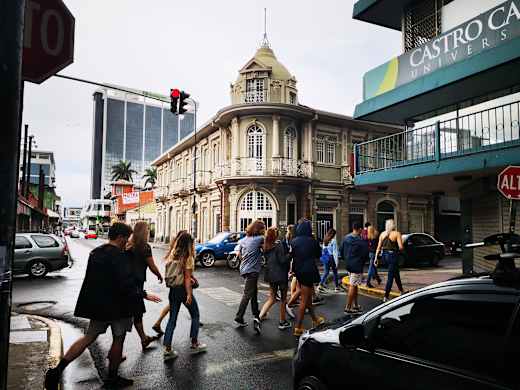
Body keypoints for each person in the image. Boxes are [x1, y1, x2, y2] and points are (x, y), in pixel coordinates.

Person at [44, 223, 161, 390]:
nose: (127, 241)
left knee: (88, 337)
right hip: (119, 306)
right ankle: (112, 378)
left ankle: (57, 371)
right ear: (120, 237)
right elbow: (125, 284)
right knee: (118, 339)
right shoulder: (120, 257)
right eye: (126, 238)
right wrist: (143, 295)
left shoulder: (96, 252)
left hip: (99, 306)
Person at [163, 231, 206, 361]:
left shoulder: (172, 254)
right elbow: (187, 278)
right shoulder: (188, 257)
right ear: (189, 244)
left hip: (173, 290)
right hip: (182, 290)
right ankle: (194, 344)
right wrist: (189, 294)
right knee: (195, 314)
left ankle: (167, 349)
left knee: (172, 319)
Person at [126, 221, 163, 351]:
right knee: (136, 312)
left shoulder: (129, 245)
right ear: (143, 232)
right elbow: (151, 265)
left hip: (127, 281)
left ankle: (144, 338)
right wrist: (159, 275)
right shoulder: (144, 247)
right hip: (137, 283)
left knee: (135, 312)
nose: (148, 231)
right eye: (147, 229)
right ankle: (142, 339)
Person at [291, 219, 325, 337]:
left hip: (299, 271)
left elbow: (292, 255)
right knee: (305, 300)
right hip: (309, 270)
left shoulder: (293, 241)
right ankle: (298, 327)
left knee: (308, 295)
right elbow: (318, 255)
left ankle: (315, 319)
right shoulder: (313, 241)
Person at [234, 220, 266, 334]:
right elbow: (266, 249)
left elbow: (240, 254)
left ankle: (256, 314)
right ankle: (239, 316)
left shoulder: (243, 240)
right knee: (247, 294)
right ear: (259, 229)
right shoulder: (260, 239)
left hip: (244, 269)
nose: (264, 230)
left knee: (253, 292)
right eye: (263, 228)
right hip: (253, 270)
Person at [152, 230, 186, 335]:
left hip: (174, 281)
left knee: (172, 304)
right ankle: (195, 318)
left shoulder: (174, 248)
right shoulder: (179, 250)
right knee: (184, 302)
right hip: (179, 282)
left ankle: (158, 323)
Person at [258, 227, 291, 330]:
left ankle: (259, 317)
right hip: (281, 275)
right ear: (275, 236)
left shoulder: (265, 246)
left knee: (272, 298)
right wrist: (290, 254)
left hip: (270, 275)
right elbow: (282, 260)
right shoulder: (279, 245)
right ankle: (282, 321)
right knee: (283, 299)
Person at [340, 222, 369, 314]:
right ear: (360, 229)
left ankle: (355, 305)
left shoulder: (346, 238)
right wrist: (362, 262)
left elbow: (341, 250)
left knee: (355, 285)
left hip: (348, 264)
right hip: (357, 265)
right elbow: (365, 254)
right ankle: (348, 307)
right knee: (353, 285)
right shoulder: (361, 240)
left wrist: (346, 259)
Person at [374, 219, 405, 302]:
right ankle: (386, 296)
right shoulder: (397, 233)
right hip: (393, 256)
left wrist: (376, 258)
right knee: (390, 276)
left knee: (396, 274)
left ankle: (402, 291)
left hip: (384, 256)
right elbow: (401, 247)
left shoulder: (382, 234)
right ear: (393, 225)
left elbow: (378, 247)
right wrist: (401, 246)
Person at [318, 228, 340, 293]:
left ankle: (320, 284)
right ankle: (336, 287)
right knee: (335, 273)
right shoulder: (333, 241)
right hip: (331, 258)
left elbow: (324, 250)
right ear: (333, 234)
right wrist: (336, 262)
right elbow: (335, 252)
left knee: (326, 272)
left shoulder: (325, 240)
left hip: (326, 258)